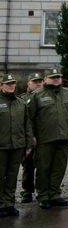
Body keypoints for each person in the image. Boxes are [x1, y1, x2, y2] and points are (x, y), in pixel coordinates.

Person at [27, 67, 68, 209]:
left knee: (59, 168)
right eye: (53, 77)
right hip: (44, 138)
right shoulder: (37, 95)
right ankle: (43, 196)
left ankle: (55, 194)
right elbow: (29, 118)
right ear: (46, 80)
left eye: (58, 77)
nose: (56, 79)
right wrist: (31, 136)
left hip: (63, 138)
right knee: (43, 168)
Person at [0, 74, 31, 217]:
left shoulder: (21, 103)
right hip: (2, 146)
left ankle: (9, 203)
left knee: (12, 176)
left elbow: (27, 125)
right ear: (1, 86)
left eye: (13, 83)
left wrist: (28, 144)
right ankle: (0, 204)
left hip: (17, 145)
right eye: (8, 84)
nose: (11, 86)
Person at [18, 72, 43, 204]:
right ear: (29, 84)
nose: (38, 84)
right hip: (28, 138)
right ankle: (27, 192)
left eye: (40, 82)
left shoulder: (45, 96)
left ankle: (43, 192)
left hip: (43, 137)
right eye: (35, 82)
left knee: (43, 166)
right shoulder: (22, 99)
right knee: (28, 166)